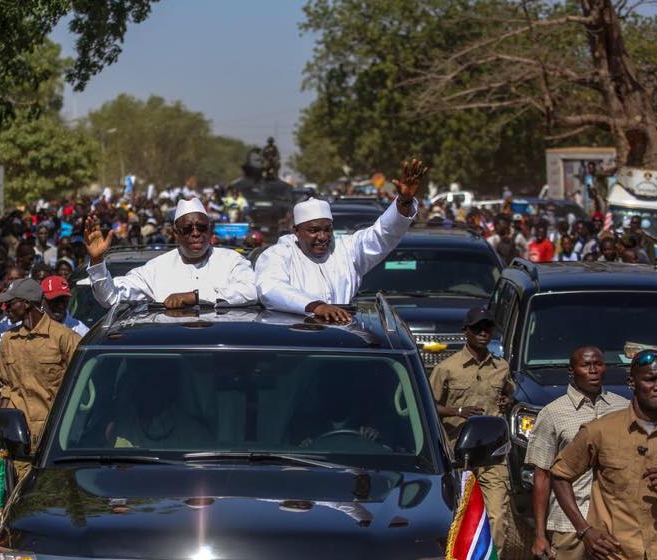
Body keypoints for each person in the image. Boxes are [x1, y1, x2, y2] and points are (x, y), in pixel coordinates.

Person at [255, 159, 426, 323]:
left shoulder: (346, 249)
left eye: (327, 229)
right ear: (297, 231)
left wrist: (404, 201)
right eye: (313, 230)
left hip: (342, 339)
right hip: (298, 341)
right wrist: (316, 306)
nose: (322, 237)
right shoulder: (278, 254)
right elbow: (271, 288)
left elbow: (382, 235)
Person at [551, 350, 657, 560]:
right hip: (616, 553)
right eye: (649, 379)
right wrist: (584, 530)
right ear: (632, 382)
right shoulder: (600, 430)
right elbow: (560, 474)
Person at [524, 346, 629, 560]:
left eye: (598, 364)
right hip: (568, 524)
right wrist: (540, 535)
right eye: (586, 365)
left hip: (615, 522)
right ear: (572, 371)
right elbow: (542, 475)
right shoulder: (553, 413)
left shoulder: (624, 408)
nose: (593, 370)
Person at [429, 307, 514, 551]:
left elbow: (509, 392)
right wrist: (457, 411)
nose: (483, 332)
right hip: (459, 456)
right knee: (457, 516)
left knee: (497, 516)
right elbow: (429, 405)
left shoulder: (501, 367)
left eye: (487, 327)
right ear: (465, 331)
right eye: (477, 328)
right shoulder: (447, 368)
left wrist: (507, 401)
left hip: (494, 456)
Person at [84, 198, 257, 309]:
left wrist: (195, 296)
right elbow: (110, 298)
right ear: (176, 233)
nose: (196, 233)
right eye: (187, 229)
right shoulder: (155, 269)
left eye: (202, 227)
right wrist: (97, 259)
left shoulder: (231, 261)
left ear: (210, 230)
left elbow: (252, 291)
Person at [0, 278, 80, 441]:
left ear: (26, 303)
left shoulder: (64, 337)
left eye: (10, 303)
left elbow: (80, 386)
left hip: (53, 432)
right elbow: (7, 387)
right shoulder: (8, 339)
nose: (5, 309)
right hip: (17, 434)